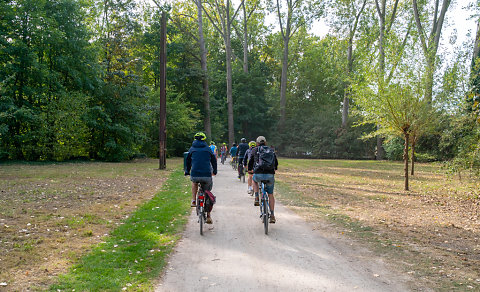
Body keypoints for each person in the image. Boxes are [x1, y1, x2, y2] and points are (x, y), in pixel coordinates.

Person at [185, 132, 218, 224]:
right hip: (207, 175)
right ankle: (208, 216)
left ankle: (193, 200)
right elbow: (213, 161)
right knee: (207, 192)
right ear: (204, 139)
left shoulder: (192, 149)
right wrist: (214, 171)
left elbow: (187, 161)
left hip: (195, 174)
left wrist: (187, 171)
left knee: (194, 182)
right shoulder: (208, 149)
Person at [248, 136, 278, 223]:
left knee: (254, 180)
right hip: (269, 174)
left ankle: (256, 197)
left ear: (257, 143)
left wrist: (250, 169)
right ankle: (272, 215)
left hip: (258, 173)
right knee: (270, 194)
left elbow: (250, 162)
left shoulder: (255, 150)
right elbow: (275, 162)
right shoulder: (271, 150)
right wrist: (274, 168)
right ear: (265, 142)